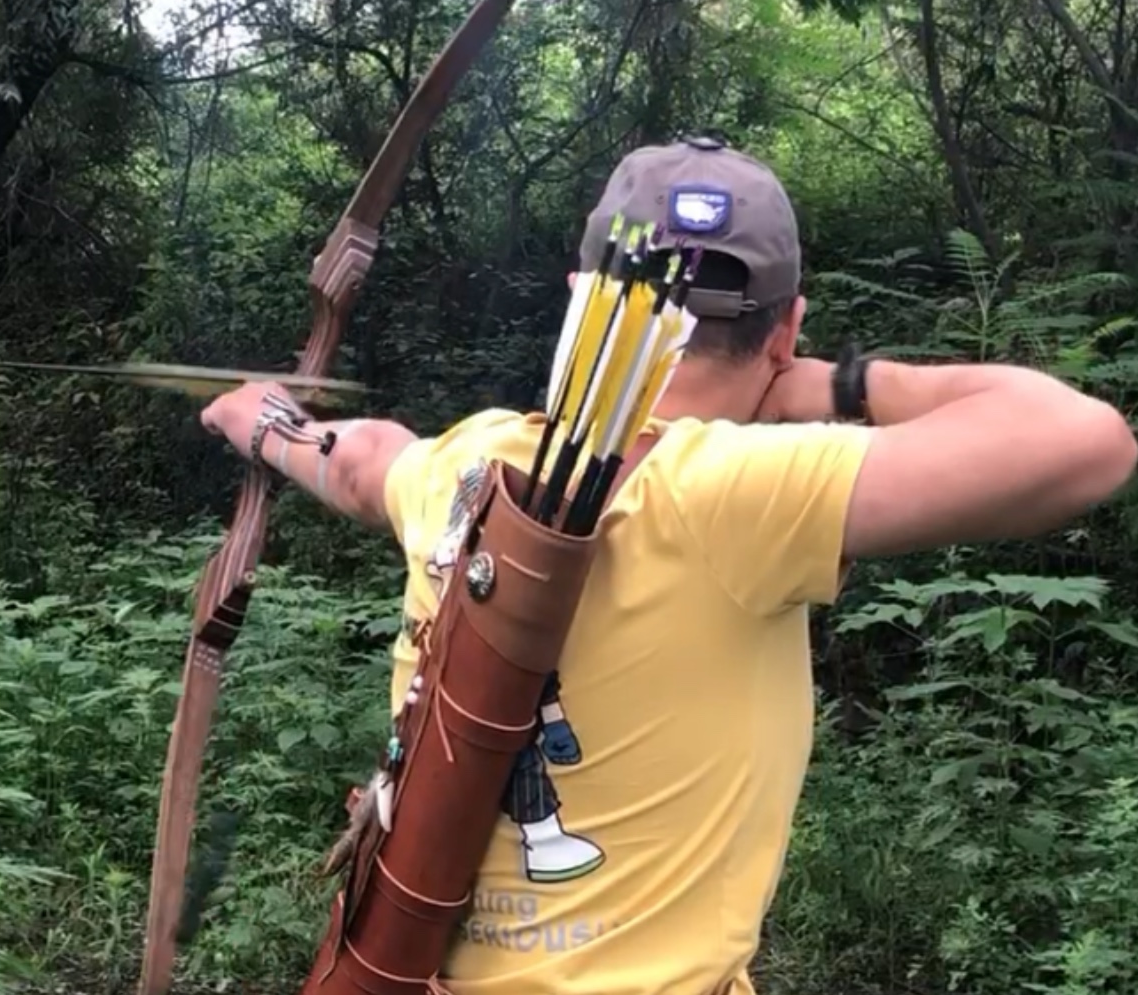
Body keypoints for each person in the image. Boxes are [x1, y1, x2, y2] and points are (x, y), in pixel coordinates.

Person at [197, 136, 1137, 995]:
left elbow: (364, 459)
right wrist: (835, 384)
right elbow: (1084, 439)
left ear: (579, 296)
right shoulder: (733, 489)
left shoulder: (470, 461)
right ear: (785, 326)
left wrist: (268, 426)